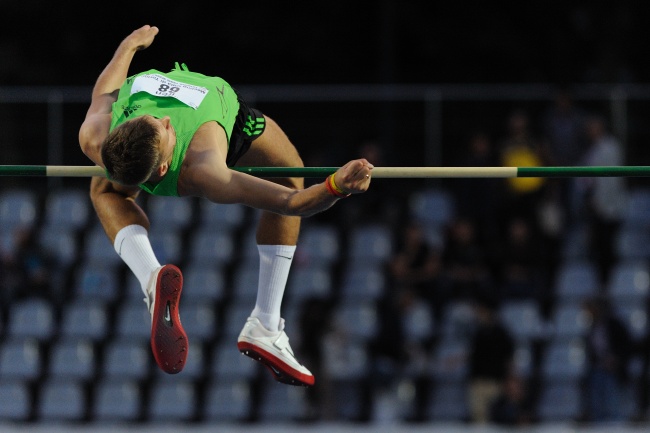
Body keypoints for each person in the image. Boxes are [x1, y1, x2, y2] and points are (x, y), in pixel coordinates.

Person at [78, 25, 373, 386]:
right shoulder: (206, 169)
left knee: (106, 191)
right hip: (230, 121)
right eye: (164, 128)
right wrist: (336, 187)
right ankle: (265, 323)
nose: (165, 118)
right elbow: (291, 202)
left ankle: (150, 276)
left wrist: (128, 46)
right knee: (289, 173)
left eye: (151, 118)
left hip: (136, 157)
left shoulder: (97, 137)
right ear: (165, 167)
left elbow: (106, 90)